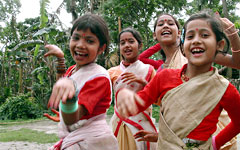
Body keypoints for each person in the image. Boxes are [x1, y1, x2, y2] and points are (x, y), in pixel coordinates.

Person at [116, 11, 240, 150]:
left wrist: (216, 142)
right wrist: (124, 99)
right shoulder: (163, 76)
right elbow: (136, 106)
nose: (196, 40)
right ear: (184, 43)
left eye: (204, 35)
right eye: (190, 36)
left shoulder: (224, 89)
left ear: (219, 45)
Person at [44, 13, 118, 150]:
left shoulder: (98, 77)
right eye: (76, 38)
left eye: (89, 41)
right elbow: (64, 86)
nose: (80, 45)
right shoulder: (73, 70)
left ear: (101, 48)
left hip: (90, 143)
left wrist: (70, 100)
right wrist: (60, 59)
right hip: (77, 138)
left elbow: (73, 118)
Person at [108, 27, 158, 150]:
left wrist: (143, 82)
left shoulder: (149, 70)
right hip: (119, 125)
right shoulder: (111, 73)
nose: (127, 45)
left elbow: (158, 99)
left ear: (140, 45)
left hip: (141, 126)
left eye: (131, 41)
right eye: (122, 42)